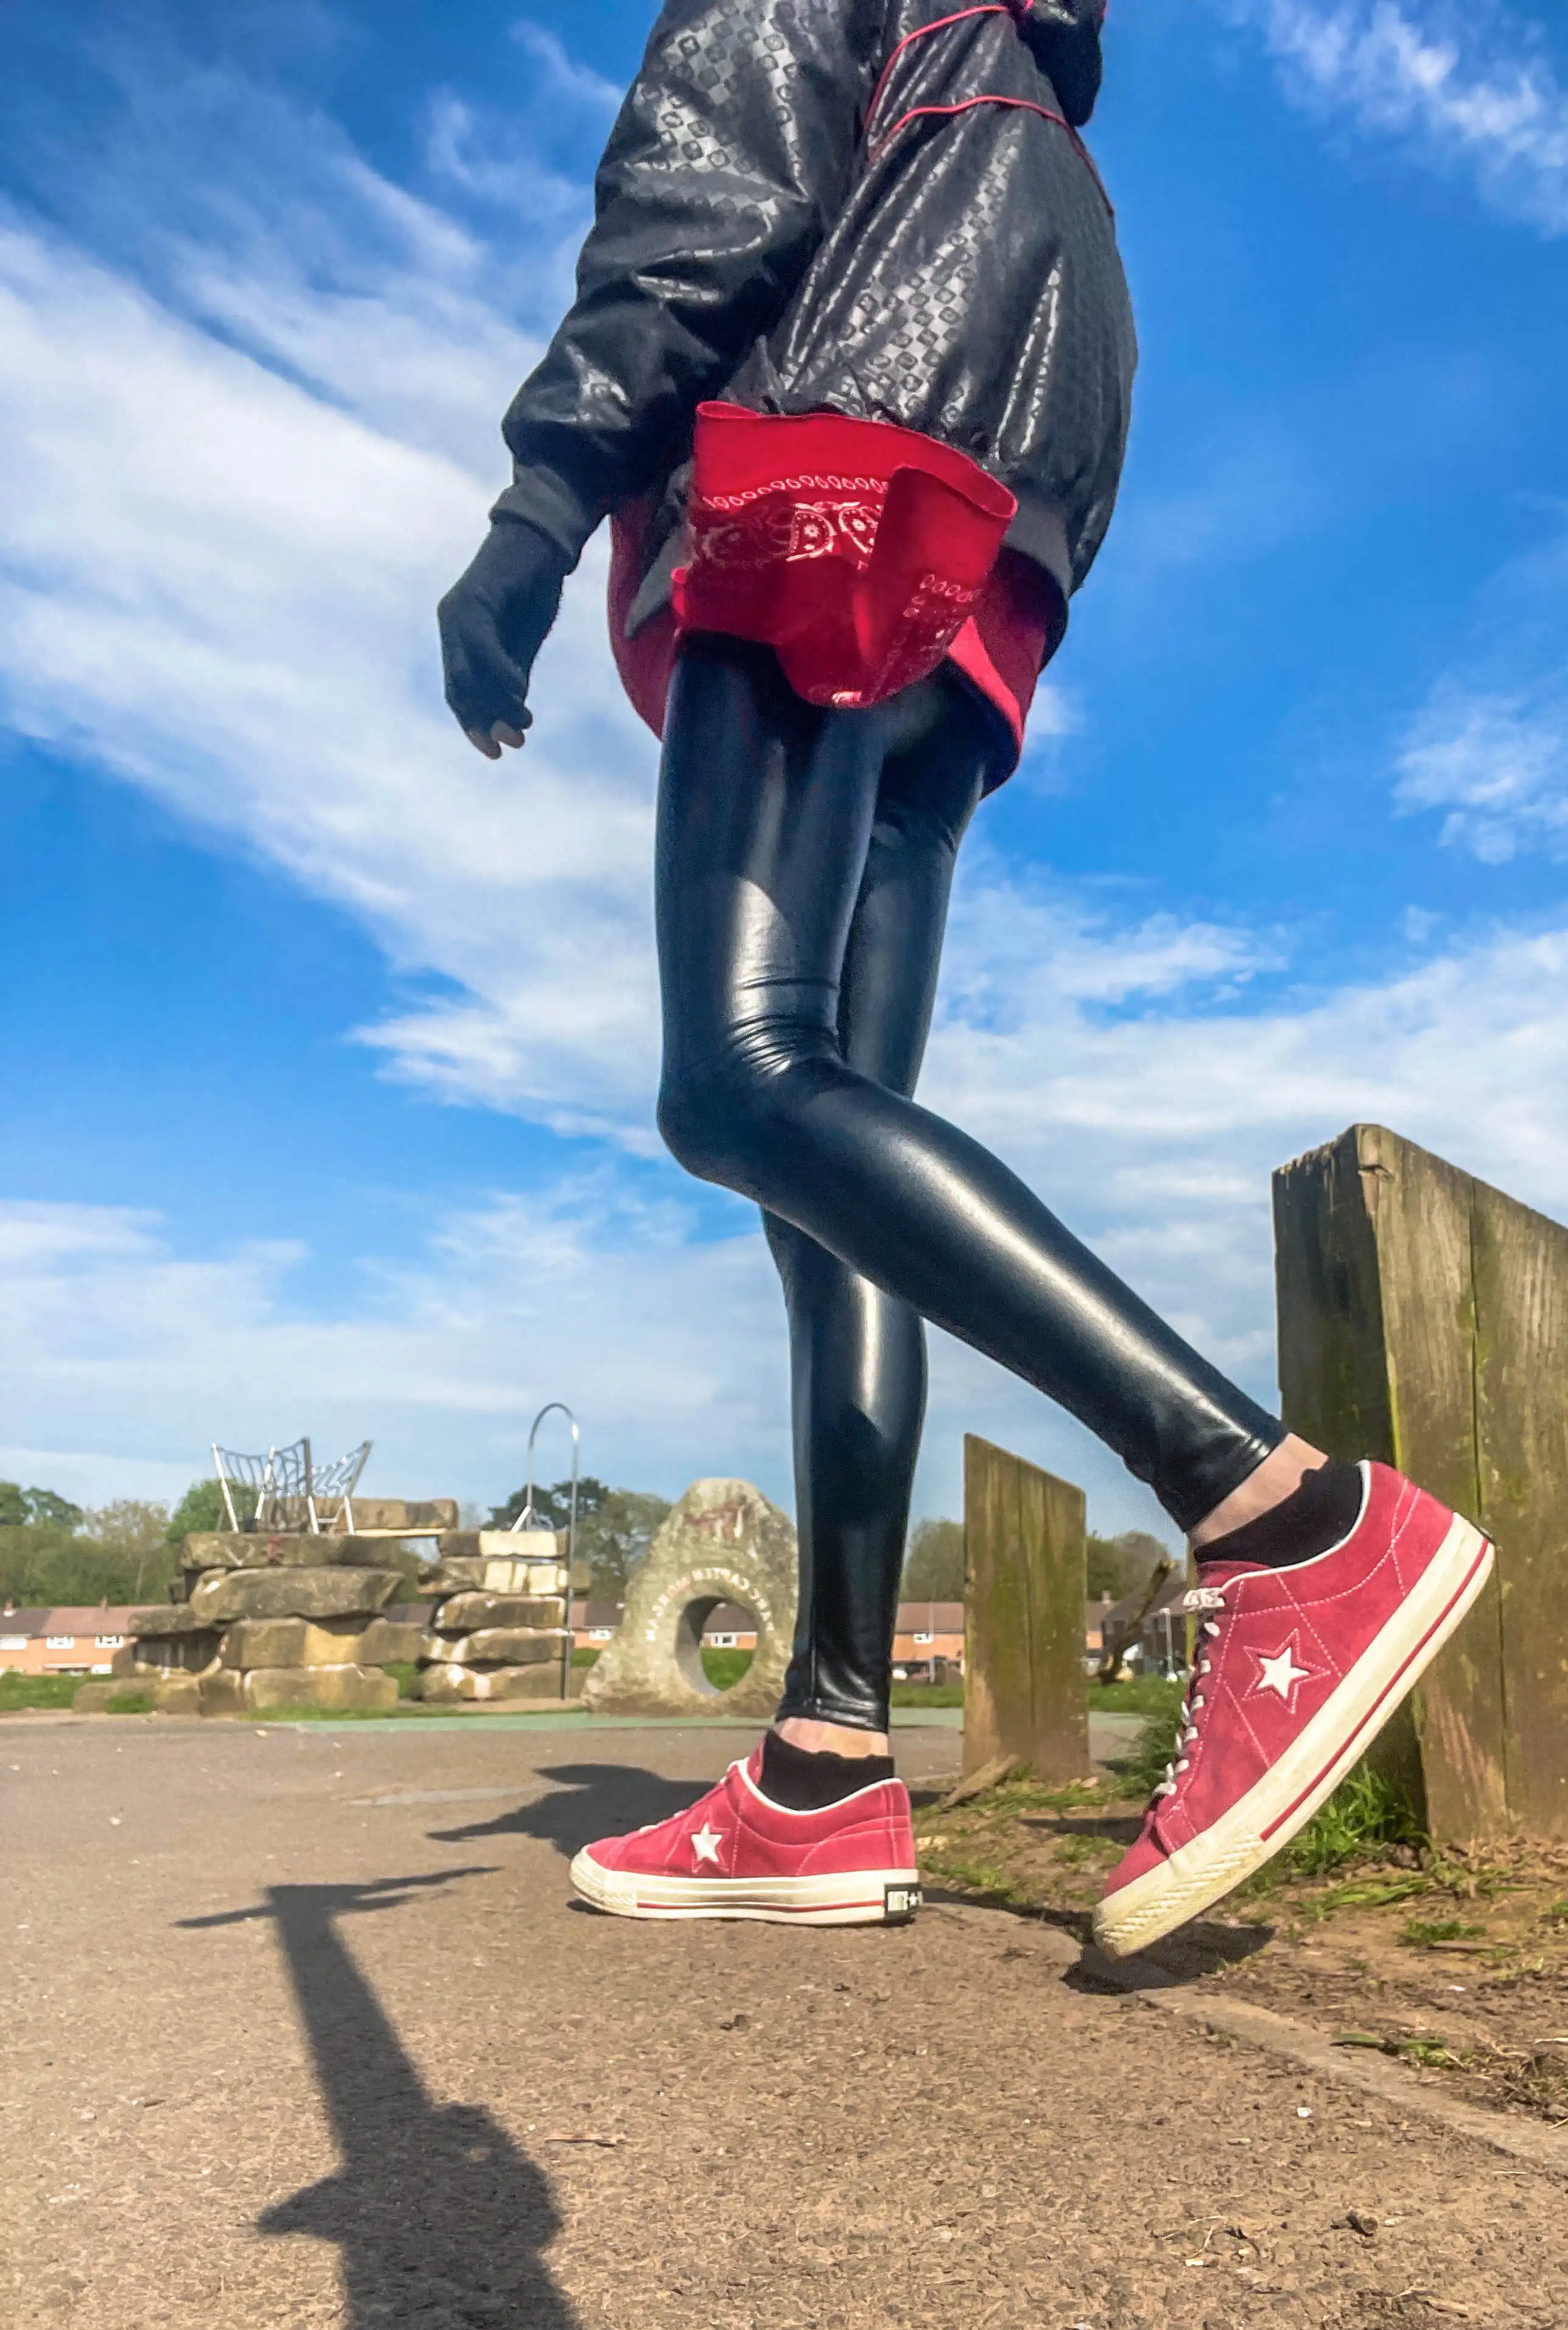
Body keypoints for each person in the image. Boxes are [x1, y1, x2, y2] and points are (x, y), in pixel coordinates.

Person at [437, 0, 1493, 1957]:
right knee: (832, 1192)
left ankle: (1284, 1516)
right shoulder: (1019, 52)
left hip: (819, 483)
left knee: (736, 1080)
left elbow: (708, 189)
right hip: (975, 561)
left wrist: (535, 509)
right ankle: (830, 1764)